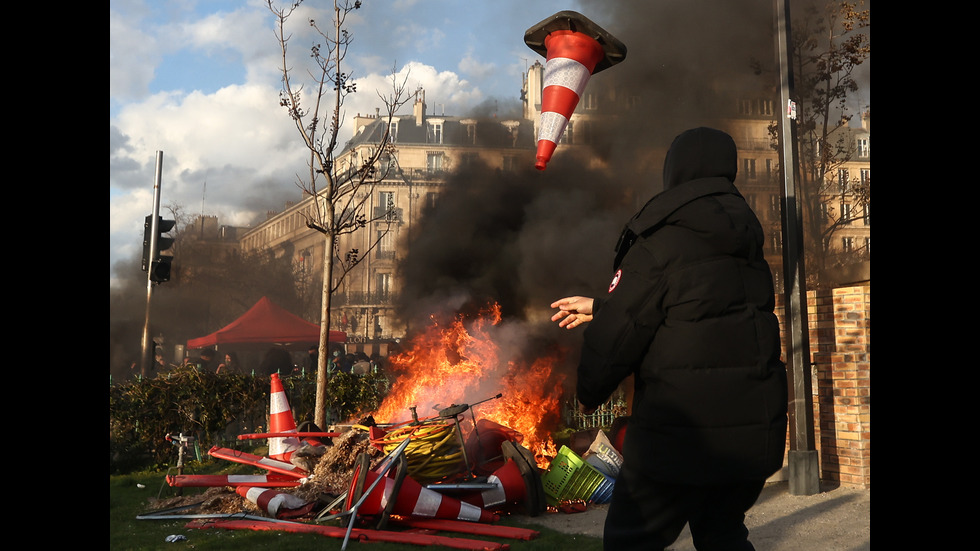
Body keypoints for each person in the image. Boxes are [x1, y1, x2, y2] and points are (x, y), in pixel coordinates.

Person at [551, 127, 787, 551]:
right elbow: (697, 313)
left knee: (629, 541)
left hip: (679, 440)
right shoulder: (745, 245)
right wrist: (601, 305)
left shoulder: (661, 239)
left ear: (675, 172)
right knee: (722, 535)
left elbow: (624, 329)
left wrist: (590, 391)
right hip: (750, 438)